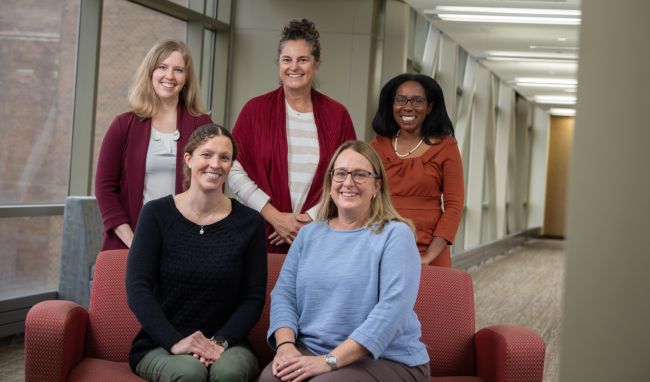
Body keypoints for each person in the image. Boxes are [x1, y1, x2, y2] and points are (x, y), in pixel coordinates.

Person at [259, 141, 430, 382]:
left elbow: (393, 311)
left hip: (384, 359)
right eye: (340, 173)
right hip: (313, 351)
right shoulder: (308, 234)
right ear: (330, 184)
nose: (348, 182)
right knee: (271, 379)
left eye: (360, 174)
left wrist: (329, 361)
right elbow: (284, 295)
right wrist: (286, 347)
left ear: (376, 186)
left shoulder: (395, 234)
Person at [126, 124, 266, 382]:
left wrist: (220, 342)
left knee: (229, 373)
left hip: (229, 345)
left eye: (224, 158)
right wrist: (175, 342)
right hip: (162, 344)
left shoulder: (251, 223)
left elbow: (253, 299)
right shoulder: (156, 214)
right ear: (189, 159)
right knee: (190, 373)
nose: (215, 164)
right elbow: (137, 289)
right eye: (207, 155)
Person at [230, 18, 356, 254]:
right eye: (287, 59)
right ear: (278, 63)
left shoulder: (337, 115)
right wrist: (274, 216)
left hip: (320, 236)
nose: (294, 67)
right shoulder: (254, 111)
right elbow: (234, 171)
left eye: (303, 59)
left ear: (316, 65)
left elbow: (348, 178)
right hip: (260, 233)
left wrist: (307, 220)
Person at [95, 39, 212, 250]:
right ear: (150, 72)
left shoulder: (202, 125)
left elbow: (211, 185)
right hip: (130, 240)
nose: (169, 76)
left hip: (186, 242)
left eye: (178, 70)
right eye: (162, 67)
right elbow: (105, 189)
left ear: (186, 79)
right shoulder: (123, 125)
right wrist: (133, 241)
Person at [370, 73, 464, 267]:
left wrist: (429, 256)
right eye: (401, 99)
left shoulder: (446, 147)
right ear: (392, 105)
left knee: (429, 297)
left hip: (430, 250)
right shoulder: (376, 147)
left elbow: (454, 206)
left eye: (417, 101)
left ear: (429, 107)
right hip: (381, 247)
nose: (408, 107)